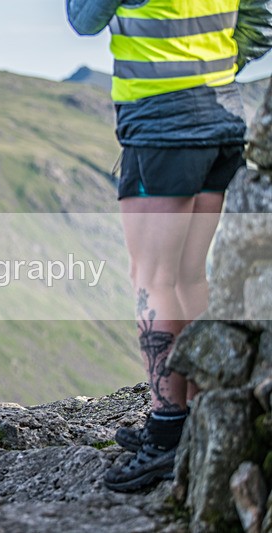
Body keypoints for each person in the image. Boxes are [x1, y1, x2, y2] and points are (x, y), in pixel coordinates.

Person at [66, 0, 272, 491]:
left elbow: (84, 18)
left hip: (161, 122)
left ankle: (166, 428)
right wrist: (211, 74)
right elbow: (262, 24)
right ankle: (198, 410)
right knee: (188, 274)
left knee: (153, 278)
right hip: (222, 113)